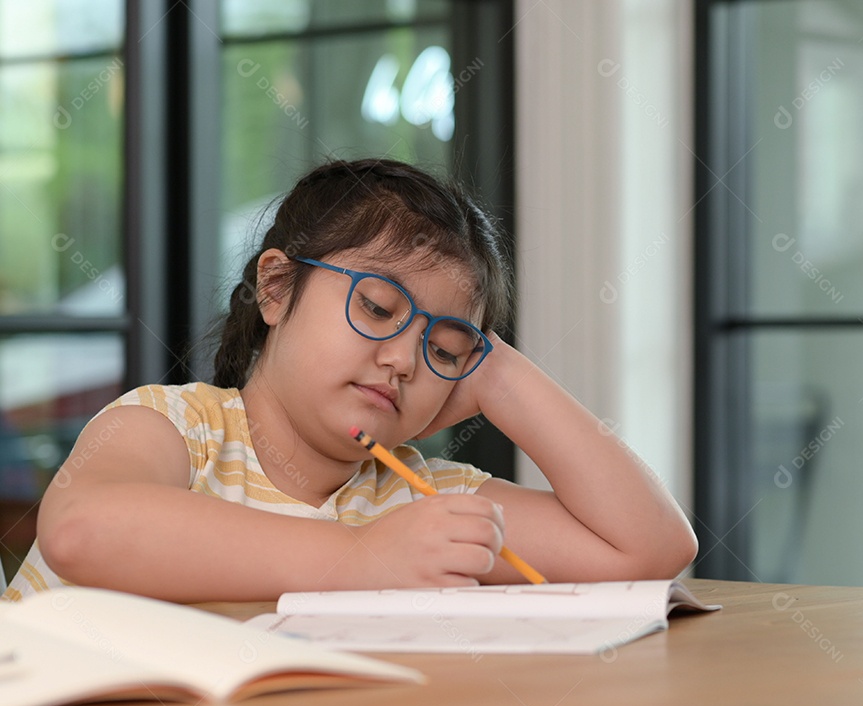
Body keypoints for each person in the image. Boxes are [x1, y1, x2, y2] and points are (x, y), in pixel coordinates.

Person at [2, 158, 697, 603]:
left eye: (443, 348)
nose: (403, 360)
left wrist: (499, 376)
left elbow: (649, 548)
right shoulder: (173, 427)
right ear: (276, 288)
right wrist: (361, 558)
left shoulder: (418, 501)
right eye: (377, 308)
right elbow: (83, 531)